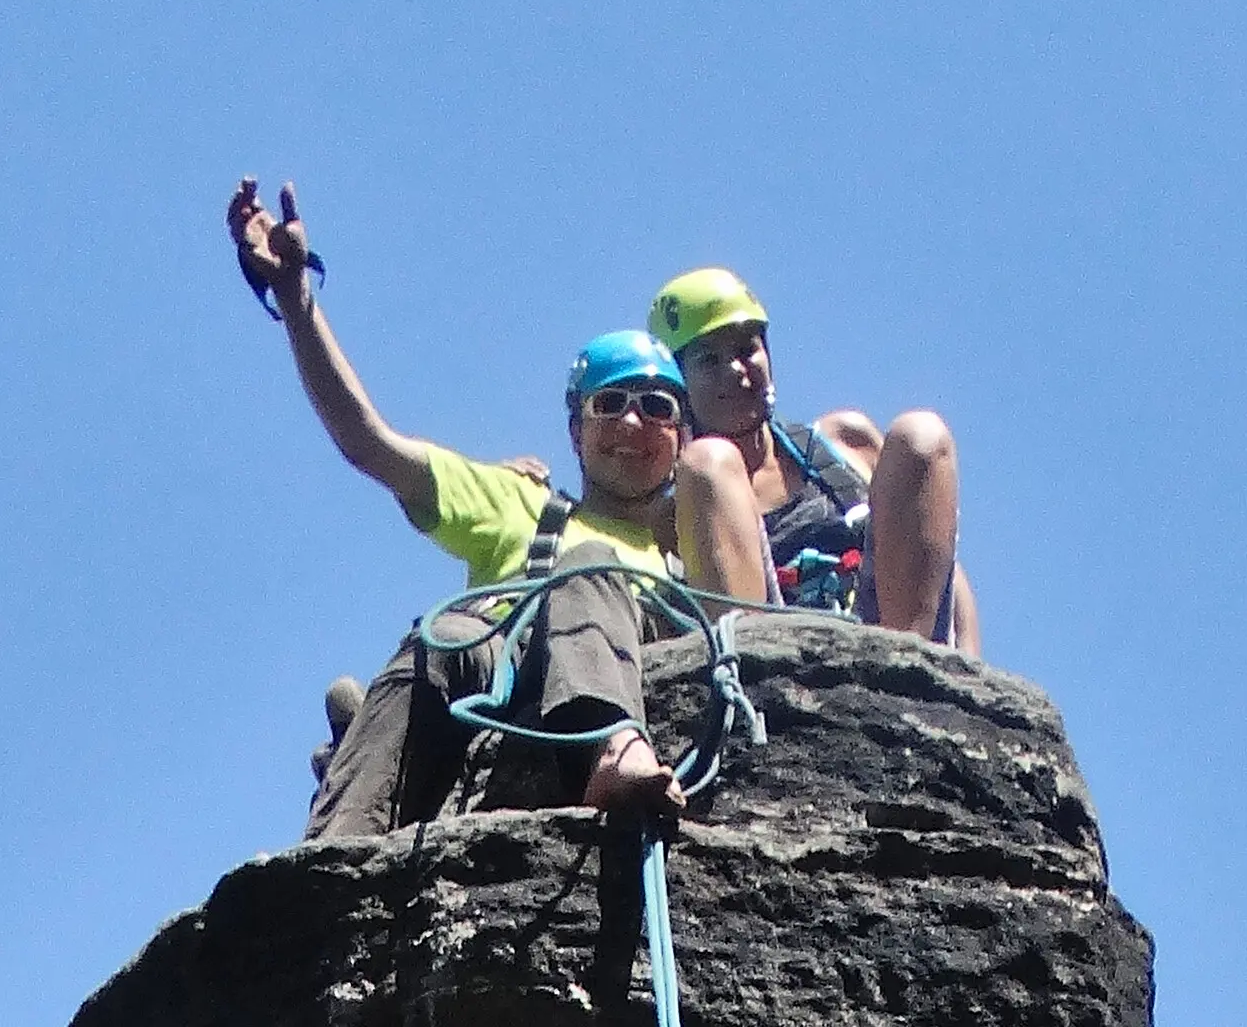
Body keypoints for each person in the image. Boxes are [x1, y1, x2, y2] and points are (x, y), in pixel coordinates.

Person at [228, 178, 773, 839]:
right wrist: (294, 297)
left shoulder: (686, 542)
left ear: (682, 435)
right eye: (611, 403)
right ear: (576, 429)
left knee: (589, 564)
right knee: (445, 639)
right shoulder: (517, 501)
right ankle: (335, 844)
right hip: (495, 654)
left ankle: (611, 748)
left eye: (657, 408)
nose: (633, 422)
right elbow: (369, 443)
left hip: (623, 650)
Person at [647, 264, 978, 654]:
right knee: (708, 461)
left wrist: (970, 678)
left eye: (746, 349)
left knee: (921, 434)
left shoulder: (844, 445)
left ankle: (914, 665)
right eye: (708, 360)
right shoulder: (682, 508)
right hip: (775, 667)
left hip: (889, 645)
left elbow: (937, 562)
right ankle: (752, 673)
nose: (735, 370)